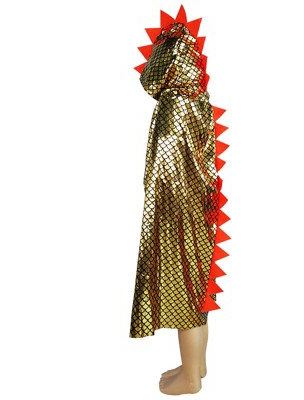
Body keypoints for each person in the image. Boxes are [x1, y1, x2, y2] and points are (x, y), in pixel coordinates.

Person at [129, 7, 230, 395]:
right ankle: (197, 366)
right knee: (197, 290)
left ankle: (190, 379)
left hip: (176, 214)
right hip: (198, 209)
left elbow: (164, 172)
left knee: (184, 292)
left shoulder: (173, 105)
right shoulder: (196, 97)